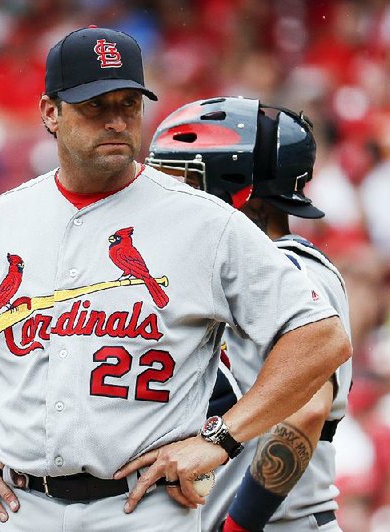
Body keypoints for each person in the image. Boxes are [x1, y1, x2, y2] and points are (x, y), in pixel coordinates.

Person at [0, 26, 351, 531]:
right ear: (50, 112)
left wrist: (221, 439)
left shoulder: (207, 223)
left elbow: (321, 338)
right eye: (94, 105)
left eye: (128, 104)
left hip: (140, 509)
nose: (115, 120)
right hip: (16, 506)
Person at [146, 96, 352, 531]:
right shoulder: (231, 273)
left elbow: (308, 409)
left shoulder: (287, 269)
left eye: (187, 181)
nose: (169, 199)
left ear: (237, 191)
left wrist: (239, 527)